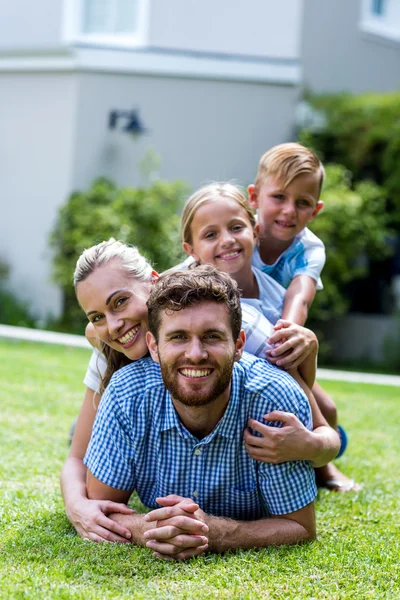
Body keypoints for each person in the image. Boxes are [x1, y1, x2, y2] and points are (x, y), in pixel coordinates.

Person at [62, 238, 325, 543]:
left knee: (329, 436)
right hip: (141, 415)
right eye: (97, 317)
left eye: (120, 301)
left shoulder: (253, 339)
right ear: (153, 345)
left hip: (298, 428)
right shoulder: (116, 366)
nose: (114, 325)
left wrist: (313, 445)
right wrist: (77, 505)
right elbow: (77, 459)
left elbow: (315, 419)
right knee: (84, 433)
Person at [180, 181, 357, 488]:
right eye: (211, 234)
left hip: (268, 384)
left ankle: (324, 466)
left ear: (256, 231)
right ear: (191, 251)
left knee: (326, 410)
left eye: (236, 228)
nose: (227, 240)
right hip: (211, 392)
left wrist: (309, 348)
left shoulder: (274, 297)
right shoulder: (186, 291)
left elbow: (292, 372)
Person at [247, 143, 360, 492]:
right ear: (254, 197)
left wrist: (289, 330)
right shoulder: (239, 233)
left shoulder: (309, 248)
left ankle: (323, 469)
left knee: (327, 407)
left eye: (302, 203)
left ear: (316, 210)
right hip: (239, 331)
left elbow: (301, 292)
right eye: (278, 197)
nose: (288, 211)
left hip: (275, 337)